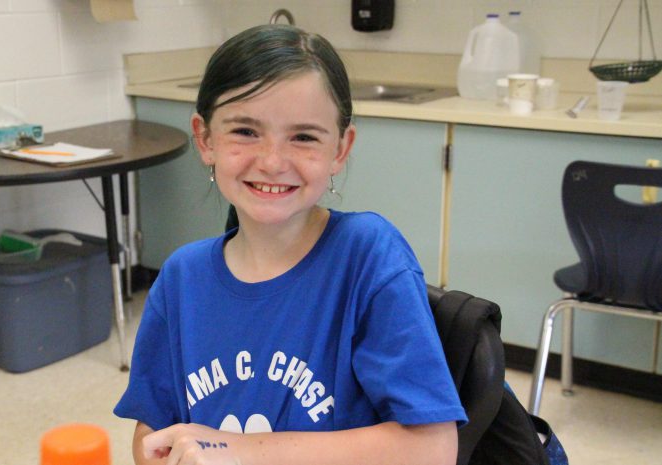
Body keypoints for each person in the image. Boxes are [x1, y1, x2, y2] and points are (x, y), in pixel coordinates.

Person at [114, 24, 467, 465]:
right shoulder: (181, 278)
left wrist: (242, 451)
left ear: (341, 148)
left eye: (303, 137)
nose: (273, 162)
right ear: (205, 140)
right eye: (245, 131)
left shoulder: (368, 256)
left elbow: (432, 448)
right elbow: (151, 432)